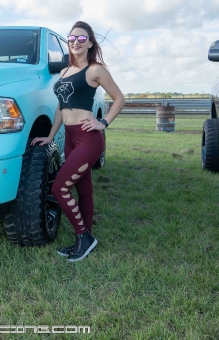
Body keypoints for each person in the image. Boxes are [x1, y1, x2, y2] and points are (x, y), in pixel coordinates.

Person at [31, 21, 125, 262]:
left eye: (81, 39)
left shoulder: (95, 70)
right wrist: (51, 136)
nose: (75, 42)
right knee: (84, 190)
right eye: (72, 38)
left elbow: (119, 99)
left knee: (59, 187)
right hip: (70, 139)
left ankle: (83, 236)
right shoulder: (63, 73)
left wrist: (102, 124)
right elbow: (61, 109)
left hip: (88, 139)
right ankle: (85, 240)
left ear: (90, 43)